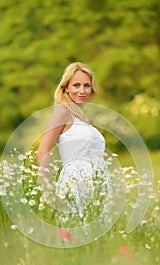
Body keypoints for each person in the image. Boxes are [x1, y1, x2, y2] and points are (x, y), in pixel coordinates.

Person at [36, 62, 110, 218]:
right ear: (66, 88)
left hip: (97, 185)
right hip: (75, 183)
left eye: (86, 86)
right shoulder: (62, 111)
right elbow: (42, 151)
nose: (82, 91)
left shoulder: (83, 117)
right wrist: (48, 191)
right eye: (76, 85)